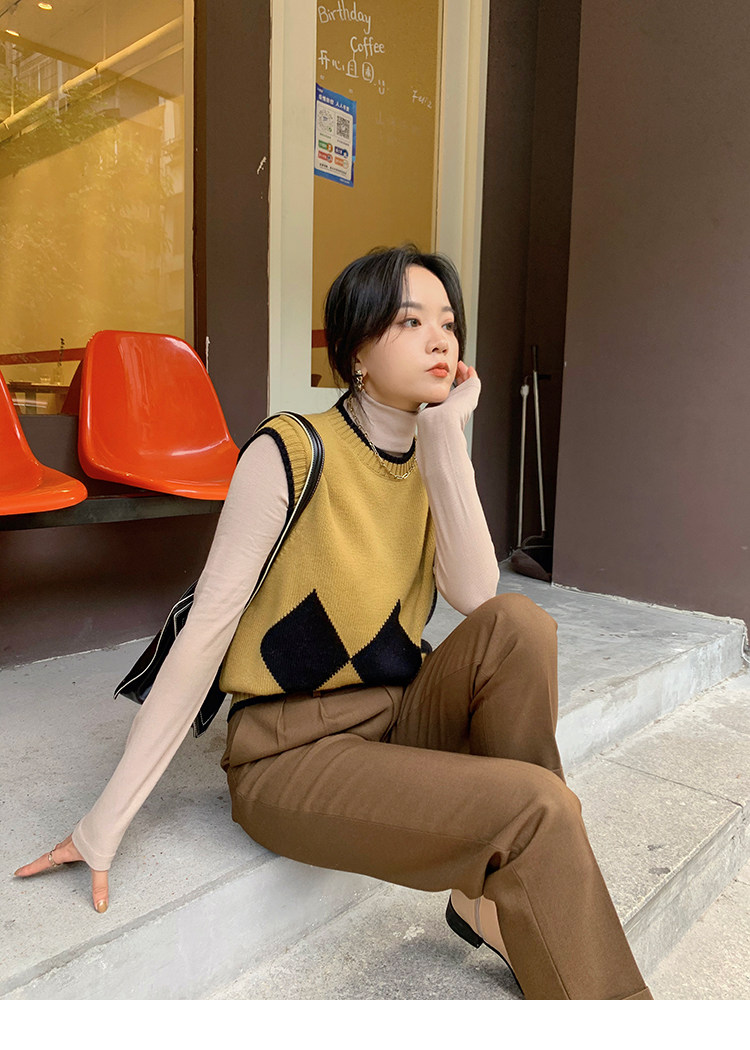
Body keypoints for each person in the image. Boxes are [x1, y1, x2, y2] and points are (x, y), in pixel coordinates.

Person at [14, 246, 652, 1000]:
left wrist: (446, 438)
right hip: (290, 754)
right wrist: (103, 823)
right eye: (410, 321)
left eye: (448, 323)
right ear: (356, 352)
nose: (440, 339)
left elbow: (478, 594)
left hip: (397, 715)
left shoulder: (433, 455)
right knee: (539, 808)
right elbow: (205, 633)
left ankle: (502, 891)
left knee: (520, 625)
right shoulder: (290, 450)